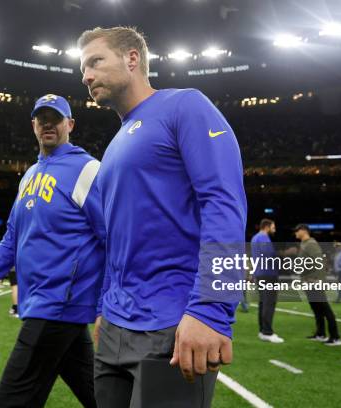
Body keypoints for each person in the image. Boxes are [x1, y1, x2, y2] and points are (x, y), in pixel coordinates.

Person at [79, 26, 247, 407]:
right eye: (83, 69)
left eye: (95, 61)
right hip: (115, 329)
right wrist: (105, 306)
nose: (86, 76)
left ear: (132, 58)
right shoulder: (115, 144)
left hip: (174, 325)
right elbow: (116, 238)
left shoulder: (184, 106)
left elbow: (223, 204)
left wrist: (211, 308)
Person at [0, 93, 105, 408]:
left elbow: (113, 240)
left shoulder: (88, 170)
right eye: (42, 118)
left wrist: (105, 306)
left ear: (71, 124)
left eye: (55, 118)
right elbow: (13, 237)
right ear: (33, 125)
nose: (48, 124)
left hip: (57, 305)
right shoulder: (29, 175)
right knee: (102, 398)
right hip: (50, 307)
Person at [294, 224, 341, 346]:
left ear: (304, 231)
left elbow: (319, 262)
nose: (295, 233)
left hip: (314, 282)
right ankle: (320, 333)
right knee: (316, 308)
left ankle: (335, 336)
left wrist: (318, 280)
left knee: (324, 308)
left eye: (297, 230)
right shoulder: (304, 244)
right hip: (308, 281)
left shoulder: (311, 244)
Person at [251, 219, 284, 343]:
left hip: (260, 273)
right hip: (268, 274)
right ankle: (267, 332)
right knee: (269, 303)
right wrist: (283, 254)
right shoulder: (263, 237)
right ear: (267, 226)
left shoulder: (255, 238)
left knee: (263, 303)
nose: (274, 229)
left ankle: (262, 330)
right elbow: (269, 255)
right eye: (273, 227)